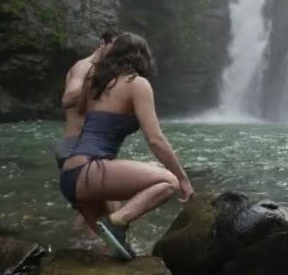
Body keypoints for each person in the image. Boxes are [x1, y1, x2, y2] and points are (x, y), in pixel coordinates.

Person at [59, 32, 194, 259]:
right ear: (143, 58)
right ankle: (116, 222)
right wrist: (182, 178)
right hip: (91, 169)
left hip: (70, 176)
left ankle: (109, 233)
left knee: (116, 250)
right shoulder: (137, 83)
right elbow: (155, 139)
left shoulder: (94, 83)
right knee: (168, 182)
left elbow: (81, 117)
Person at [55, 28, 124, 237]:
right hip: (76, 146)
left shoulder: (104, 72)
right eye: (113, 48)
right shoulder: (84, 67)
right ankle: (107, 251)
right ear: (102, 43)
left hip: (90, 148)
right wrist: (98, 81)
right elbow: (67, 99)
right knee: (109, 202)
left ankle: (80, 249)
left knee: (90, 210)